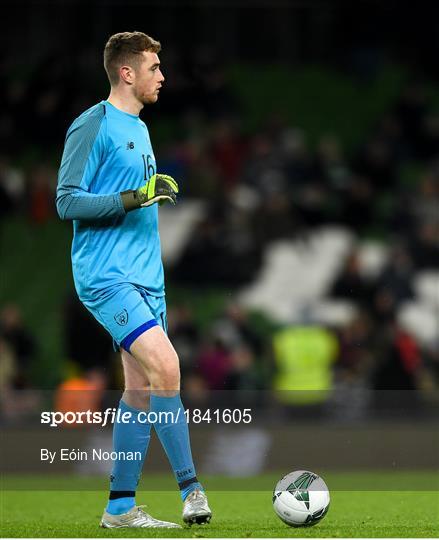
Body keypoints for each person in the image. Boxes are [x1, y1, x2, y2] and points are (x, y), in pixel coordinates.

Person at [56, 31, 211, 529]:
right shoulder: (92, 124)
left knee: (141, 389)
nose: (162, 76)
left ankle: (119, 507)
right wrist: (132, 197)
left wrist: (145, 194)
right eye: (153, 68)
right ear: (127, 72)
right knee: (169, 367)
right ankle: (192, 491)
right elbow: (66, 201)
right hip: (107, 276)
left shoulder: (140, 128)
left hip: (147, 277)